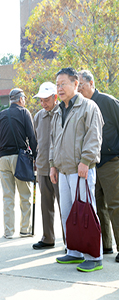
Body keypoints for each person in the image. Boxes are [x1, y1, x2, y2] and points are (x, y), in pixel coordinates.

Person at [50, 67, 104, 272]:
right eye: (57, 84)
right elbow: (54, 142)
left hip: (81, 169)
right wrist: (53, 165)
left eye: (63, 83)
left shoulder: (89, 107)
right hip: (62, 170)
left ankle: (94, 256)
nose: (60, 88)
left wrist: (86, 160)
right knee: (68, 213)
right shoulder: (57, 110)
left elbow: (94, 136)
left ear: (75, 84)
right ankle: (74, 251)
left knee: (86, 213)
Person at [77, 69, 119, 262]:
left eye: (82, 86)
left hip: (112, 162)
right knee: (98, 206)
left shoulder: (108, 102)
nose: (80, 90)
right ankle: (106, 245)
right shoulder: (83, 106)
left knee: (115, 205)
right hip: (94, 164)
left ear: (91, 83)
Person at [0, 88, 37, 239]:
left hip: (3, 159)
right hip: (20, 158)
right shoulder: (24, 113)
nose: (25, 101)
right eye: (24, 98)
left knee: (8, 196)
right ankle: (25, 229)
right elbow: (31, 137)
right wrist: (36, 157)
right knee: (25, 195)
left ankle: (8, 231)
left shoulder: (0, 115)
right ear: (20, 99)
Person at [32, 82, 64, 249]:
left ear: (55, 97)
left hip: (61, 169)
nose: (43, 103)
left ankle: (70, 242)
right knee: (46, 206)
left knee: (64, 206)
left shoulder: (63, 113)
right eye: (41, 100)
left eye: (46, 100)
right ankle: (48, 238)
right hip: (43, 167)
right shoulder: (38, 116)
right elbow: (38, 140)